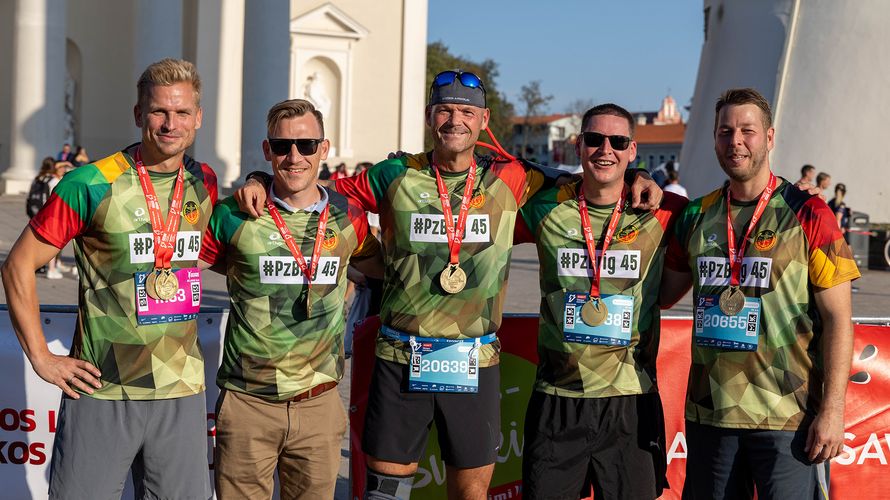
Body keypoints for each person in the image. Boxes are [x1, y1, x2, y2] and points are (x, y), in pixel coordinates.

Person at [235, 70, 661, 499]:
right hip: (402, 354)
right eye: (445, 110)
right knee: (387, 490)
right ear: (428, 116)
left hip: (473, 360)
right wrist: (258, 177)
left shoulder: (513, 178)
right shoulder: (394, 174)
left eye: (466, 111)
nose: (454, 120)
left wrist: (640, 173)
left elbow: (594, 177)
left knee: (470, 492)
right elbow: (314, 190)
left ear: (483, 120)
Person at [1, 58, 216, 499]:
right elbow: (17, 265)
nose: (170, 123)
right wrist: (41, 356)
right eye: (158, 111)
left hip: (182, 389)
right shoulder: (90, 183)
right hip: (104, 390)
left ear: (198, 117)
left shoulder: (203, 181)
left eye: (181, 112)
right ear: (139, 115)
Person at [660, 88, 859, 499]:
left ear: (769, 137)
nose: (735, 141)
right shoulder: (697, 215)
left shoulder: (809, 212)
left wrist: (834, 410)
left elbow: (840, 318)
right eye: (724, 131)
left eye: (747, 131)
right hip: (710, 413)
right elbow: (662, 294)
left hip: (786, 417)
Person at [200, 99, 382, 499]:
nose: (295, 157)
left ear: (325, 148)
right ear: (268, 152)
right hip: (248, 402)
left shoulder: (349, 217)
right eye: (282, 147)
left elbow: (377, 268)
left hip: (318, 404)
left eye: (306, 145)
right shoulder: (233, 214)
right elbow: (192, 264)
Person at [515, 103, 685, 499]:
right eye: (594, 139)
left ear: (632, 149)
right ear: (578, 145)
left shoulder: (665, 211)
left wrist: (800, 194)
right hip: (558, 399)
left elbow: (733, 212)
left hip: (630, 400)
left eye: (617, 141)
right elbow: (481, 210)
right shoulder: (544, 207)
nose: (604, 149)